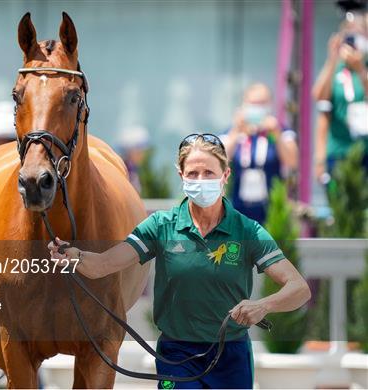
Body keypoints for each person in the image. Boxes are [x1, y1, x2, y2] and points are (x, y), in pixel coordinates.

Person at [48, 133, 311, 389]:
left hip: (232, 356)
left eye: (209, 173)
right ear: (181, 176)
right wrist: (76, 256)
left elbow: (299, 289)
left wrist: (263, 306)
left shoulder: (248, 231)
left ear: (225, 175)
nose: (201, 180)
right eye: (193, 173)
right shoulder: (160, 226)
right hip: (177, 356)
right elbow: (104, 265)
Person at [221, 83, 298, 224]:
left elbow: (292, 161)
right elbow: (220, 159)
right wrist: (237, 130)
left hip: (271, 208)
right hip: (238, 206)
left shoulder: (281, 131)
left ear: (270, 105)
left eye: (262, 103)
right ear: (244, 105)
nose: (257, 108)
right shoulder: (232, 132)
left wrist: (277, 134)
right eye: (253, 104)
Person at [312, 5, 368, 186]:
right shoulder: (336, 69)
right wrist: (332, 58)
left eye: (358, 34)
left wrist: (361, 71)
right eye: (349, 35)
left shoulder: (364, 67)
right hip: (338, 152)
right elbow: (320, 98)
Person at [117, 125, 150, 194]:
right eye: (139, 151)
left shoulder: (133, 168)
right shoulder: (126, 170)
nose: (142, 155)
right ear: (131, 151)